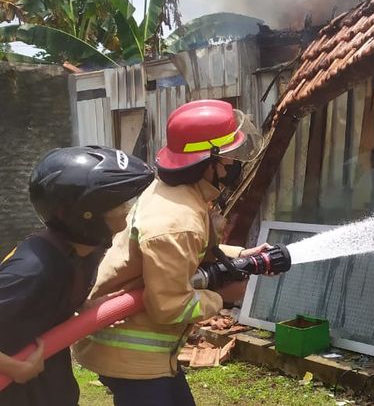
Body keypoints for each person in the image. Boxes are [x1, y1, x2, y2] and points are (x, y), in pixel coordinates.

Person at [74, 99, 268, 406]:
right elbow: (168, 306)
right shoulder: (178, 220)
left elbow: (188, 250)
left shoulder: (175, 193)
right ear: (210, 161)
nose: (237, 164)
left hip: (144, 354)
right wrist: (223, 297)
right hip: (132, 356)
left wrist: (242, 254)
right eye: (232, 156)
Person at [0, 146, 154, 406]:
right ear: (87, 213)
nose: (127, 209)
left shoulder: (84, 251)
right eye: (119, 203)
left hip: (49, 387)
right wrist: (12, 367)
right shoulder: (34, 269)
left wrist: (80, 307)